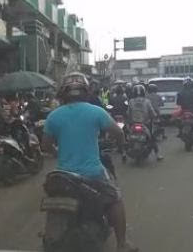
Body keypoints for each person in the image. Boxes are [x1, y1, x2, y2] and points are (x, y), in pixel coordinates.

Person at [41, 72, 138, 252]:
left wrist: (58, 152)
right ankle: (122, 244)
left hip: (62, 176)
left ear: (63, 92)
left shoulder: (54, 116)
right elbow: (119, 133)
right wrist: (121, 145)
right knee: (115, 199)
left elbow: (45, 146)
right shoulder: (96, 111)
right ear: (86, 91)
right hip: (93, 174)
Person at [127, 84, 162, 161]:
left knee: (128, 137)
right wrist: (155, 116)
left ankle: (125, 153)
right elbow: (152, 112)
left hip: (133, 123)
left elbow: (128, 113)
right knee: (152, 139)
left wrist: (129, 121)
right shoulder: (147, 101)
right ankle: (157, 155)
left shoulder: (131, 101)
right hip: (145, 123)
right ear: (143, 92)